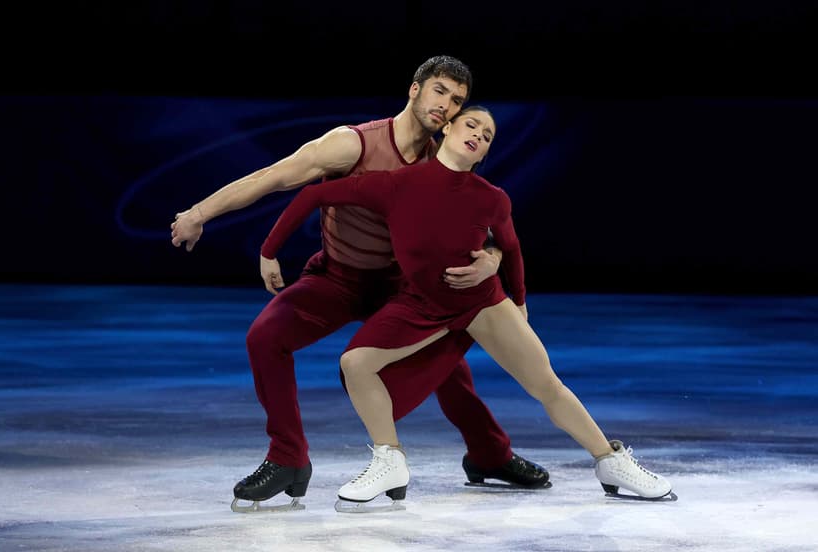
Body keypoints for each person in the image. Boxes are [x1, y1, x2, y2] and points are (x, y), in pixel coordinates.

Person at [170, 55, 550, 512]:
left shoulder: (448, 157)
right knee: (265, 337)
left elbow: (487, 231)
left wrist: (491, 261)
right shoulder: (353, 144)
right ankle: (288, 458)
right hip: (338, 279)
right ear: (414, 89)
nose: (446, 106)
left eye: (457, 101)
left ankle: (489, 454)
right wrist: (199, 213)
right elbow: (274, 177)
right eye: (439, 91)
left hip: (403, 286)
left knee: (448, 364)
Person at [259, 105, 675, 509]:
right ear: (448, 130)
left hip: (481, 304)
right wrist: (269, 250)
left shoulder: (492, 198)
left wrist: (519, 301)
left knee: (545, 384)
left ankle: (610, 462)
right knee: (355, 363)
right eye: (471, 125)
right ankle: (390, 461)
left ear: (484, 153)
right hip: (422, 306)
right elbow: (313, 194)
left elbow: (511, 249)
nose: (478, 134)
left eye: (487, 135)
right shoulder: (394, 185)